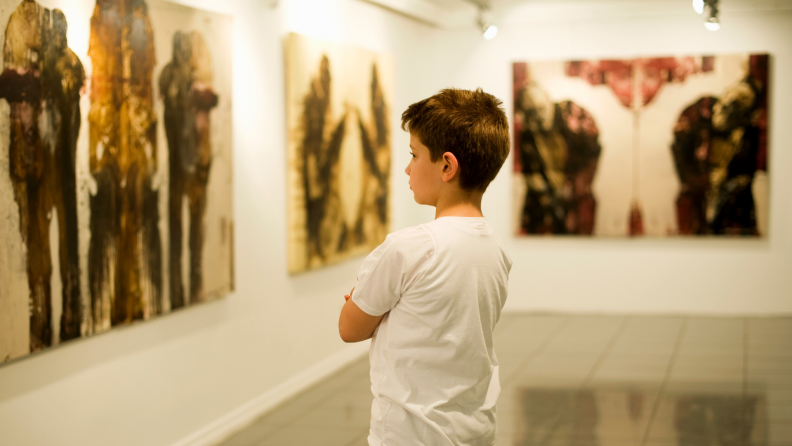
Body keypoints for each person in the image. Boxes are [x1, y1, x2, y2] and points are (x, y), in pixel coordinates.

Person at [338, 88, 513, 446]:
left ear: (447, 166)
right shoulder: (495, 248)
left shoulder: (409, 247)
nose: (407, 167)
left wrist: (364, 299)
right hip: (474, 430)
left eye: (414, 154)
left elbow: (349, 327)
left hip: (409, 435)